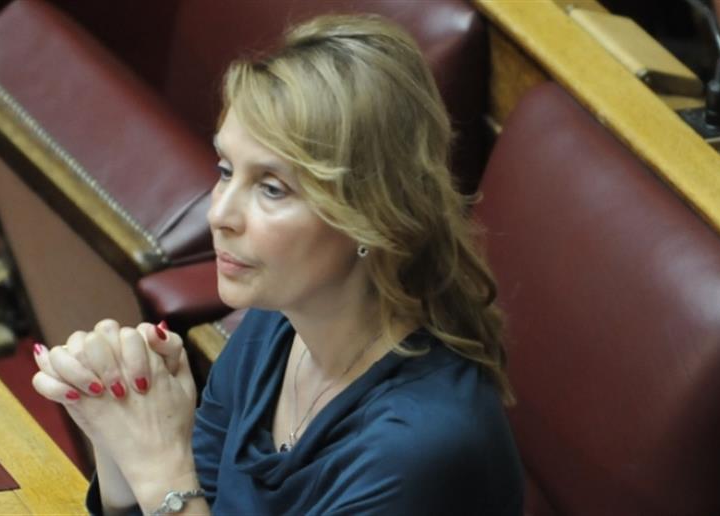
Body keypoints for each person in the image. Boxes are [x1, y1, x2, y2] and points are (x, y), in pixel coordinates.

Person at [32, 14, 523, 515]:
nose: (219, 215)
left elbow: (177, 501)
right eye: (226, 170)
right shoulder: (276, 328)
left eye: (271, 188)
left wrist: (161, 466)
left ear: (370, 218)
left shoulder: (416, 449)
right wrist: (118, 426)